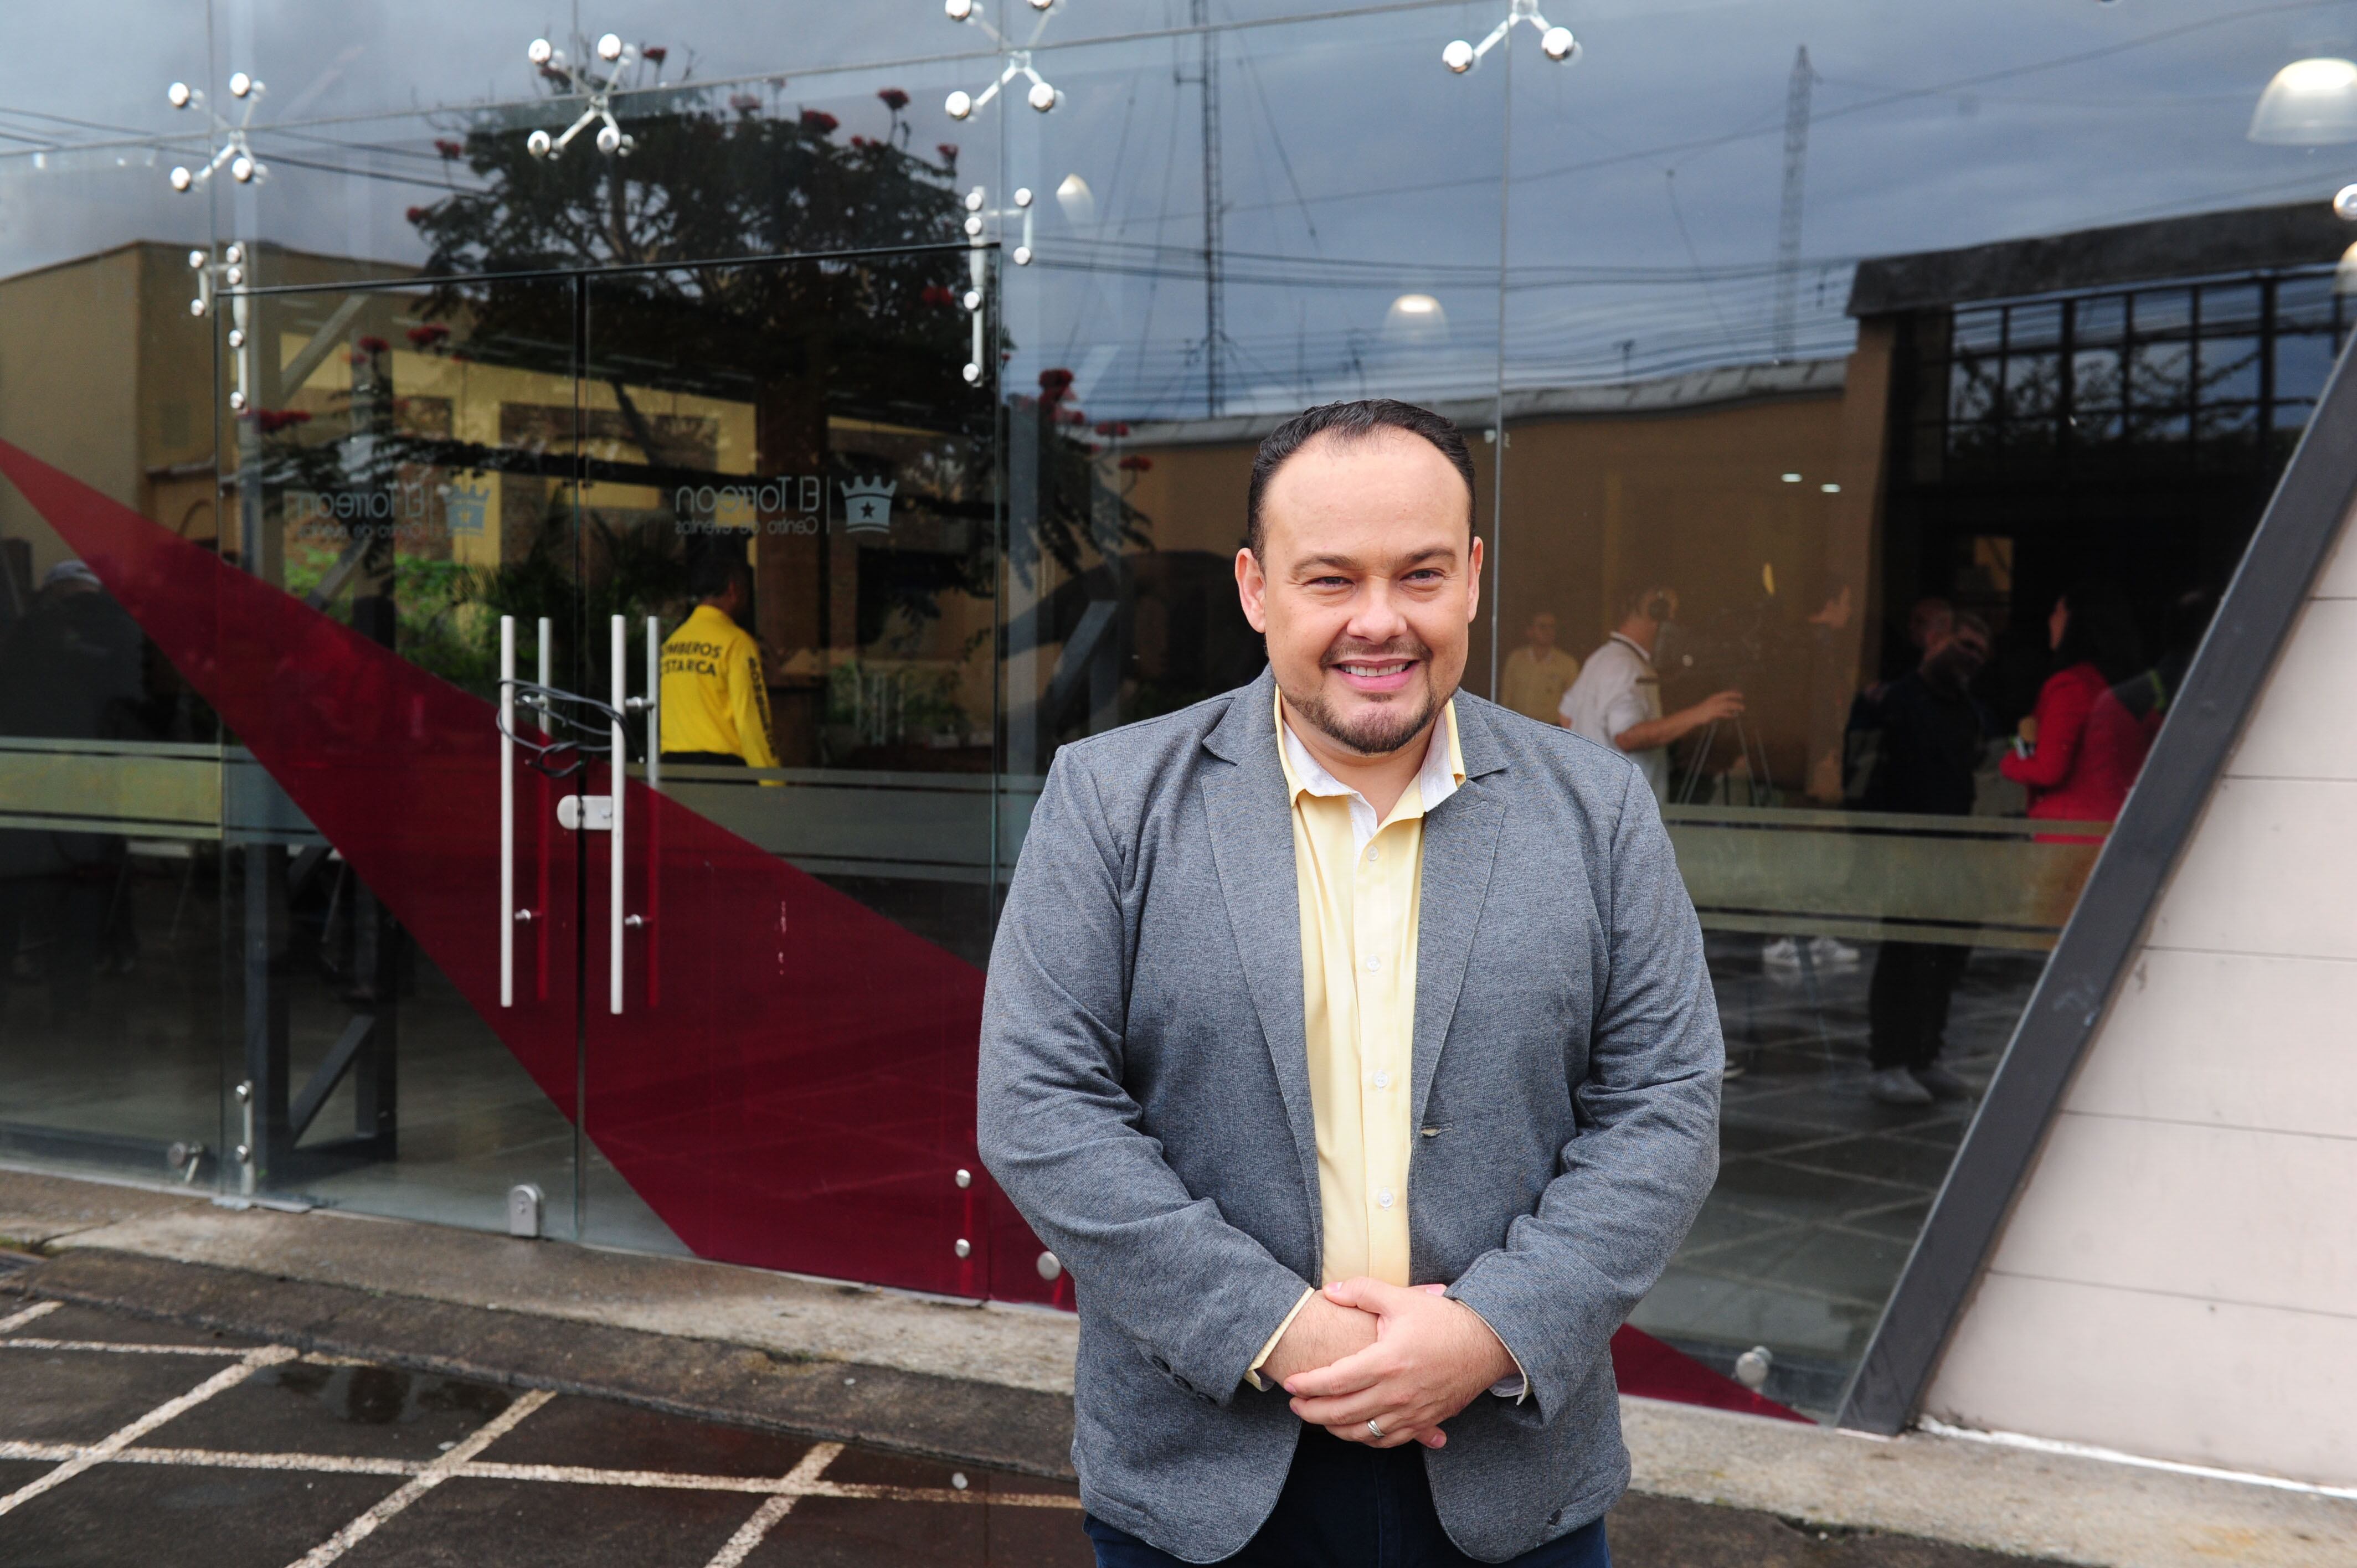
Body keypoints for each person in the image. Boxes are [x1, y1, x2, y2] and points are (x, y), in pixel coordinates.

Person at [980, 399, 1722, 1567]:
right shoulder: (1108, 801)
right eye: (1329, 579)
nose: (1380, 623)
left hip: (1510, 1475)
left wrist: (1490, 1330)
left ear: (1472, 576)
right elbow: (1042, 1113)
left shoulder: (1599, 811)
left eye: (1419, 574)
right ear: (1254, 588)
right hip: (1200, 1478)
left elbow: (1665, 1110)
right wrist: (1281, 1332)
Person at [1857, 613, 1992, 1107]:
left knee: (1944, 954)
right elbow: (1870, 772)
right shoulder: (1896, 701)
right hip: (1906, 845)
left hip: (1951, 844)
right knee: (1905, 953)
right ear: (1936, 641)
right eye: (1964, 644)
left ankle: (1924, 1056)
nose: (1970, 657)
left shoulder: (1966, 708)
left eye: (1980, 652)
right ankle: (1889, 1060)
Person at [1556, 584, 1743, 802]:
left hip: (1607, 808)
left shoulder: (1602, 658)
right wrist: (1701, 713)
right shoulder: (1625, 666)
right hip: (1626, 816)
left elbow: (1566, 717)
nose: (1673, 622)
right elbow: (1627, 736)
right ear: (1654, 614)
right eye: (1670, 614)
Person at [1999, 589, 2150, 839]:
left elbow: (2048, 769)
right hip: (2118, 830)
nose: (2050, 620)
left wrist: (2010, 762)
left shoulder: (2071, 687)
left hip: (2070, 837)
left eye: (2058, 612)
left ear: (2077, 622)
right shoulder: (2129, 687)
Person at [658, 555, 780, 769]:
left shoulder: (672, 644)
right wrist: (773, 784)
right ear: (733, 589)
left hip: (673, 770)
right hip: (721, 773)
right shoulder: (737, 643)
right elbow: (752, 719)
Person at [1497, 611, 1581, 725]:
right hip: (1517, 727)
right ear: (1530, 631)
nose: (1548, 632)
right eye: (1542, 627)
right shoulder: (1516, 659)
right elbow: (1506, 698)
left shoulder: (1567, 664)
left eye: (1552, 627)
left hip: (1551, 730)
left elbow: (1574, 705)